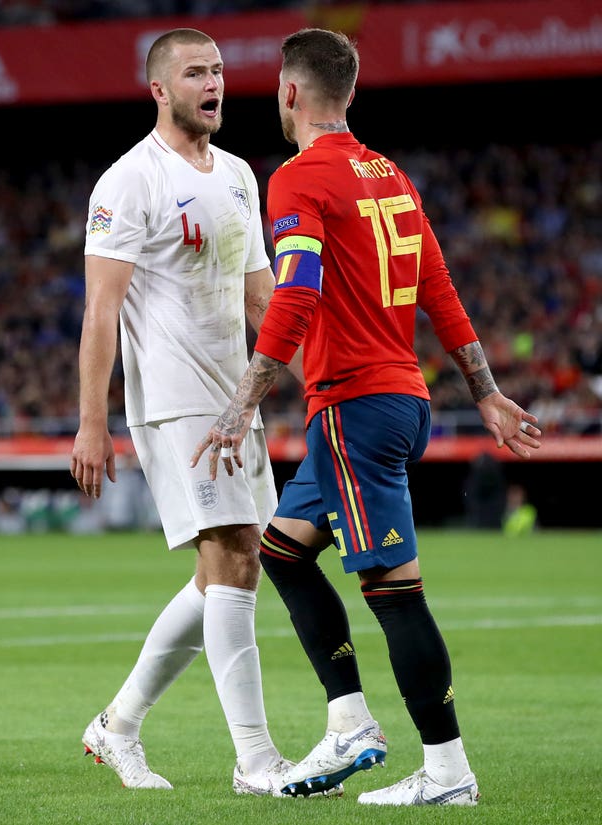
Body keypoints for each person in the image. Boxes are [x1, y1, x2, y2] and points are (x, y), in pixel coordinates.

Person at [191, 27, 542, 807]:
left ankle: (448, 771)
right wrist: (480, 388)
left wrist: (242, 399)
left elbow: (298, 291)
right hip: (396, 400)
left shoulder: (295, 179)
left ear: (289, 92)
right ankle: (348, 717)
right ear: (349, 93)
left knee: (396, 593)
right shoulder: (391, 173)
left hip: (355, 408)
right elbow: (438, 284)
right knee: (283, 552)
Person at [69, 28, 328, 798]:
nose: (212, 83)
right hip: (176, 403)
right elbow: (100, 311)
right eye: (194, 73)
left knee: (228, 568)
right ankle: (256, 760)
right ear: (159, 90)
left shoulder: (244, 176)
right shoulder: (127, 183)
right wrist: (92, 420)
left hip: (233, 400)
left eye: (217, 71)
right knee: (240, 556)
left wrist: (314, 385)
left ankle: (117, 724)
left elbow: (261, 298)